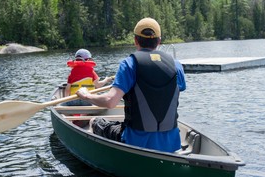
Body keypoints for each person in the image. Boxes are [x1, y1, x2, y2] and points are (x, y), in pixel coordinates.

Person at [76, 17, 186, 152]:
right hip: (171, 143)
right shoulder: (177, 65)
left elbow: (110, 102)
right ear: (159, 41)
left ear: (135, 40)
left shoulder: (129, 64)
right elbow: (170, 89)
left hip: (135, 142)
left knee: (95, 121)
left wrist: (86, 95)